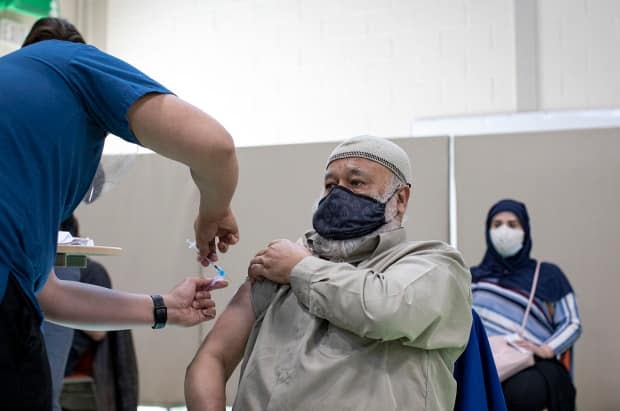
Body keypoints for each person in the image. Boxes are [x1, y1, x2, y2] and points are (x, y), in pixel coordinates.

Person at [0, 17, 238, 409]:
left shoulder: (21, 160)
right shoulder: (76, 64)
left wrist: (166, 308)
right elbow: (215, 147)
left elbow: (47, 294)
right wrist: (215, 211)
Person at [185, 135, 473, 410]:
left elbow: (381, 309)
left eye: (356, 182)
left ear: (400, 199)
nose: (338, 194)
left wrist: (299, 268)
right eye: (330, 184)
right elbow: (212, 358)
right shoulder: (279, 264)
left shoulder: (435, 265)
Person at [471, 199, 581, 411]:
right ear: (488, 230)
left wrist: (547, 349)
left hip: (529, 362)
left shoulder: (547, 274)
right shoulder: (473, 277)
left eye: (513, 225)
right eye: (497, 224)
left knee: (522, 393)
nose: (504, 231)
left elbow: (572, 322)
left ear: (525, 230)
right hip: (481, 361)